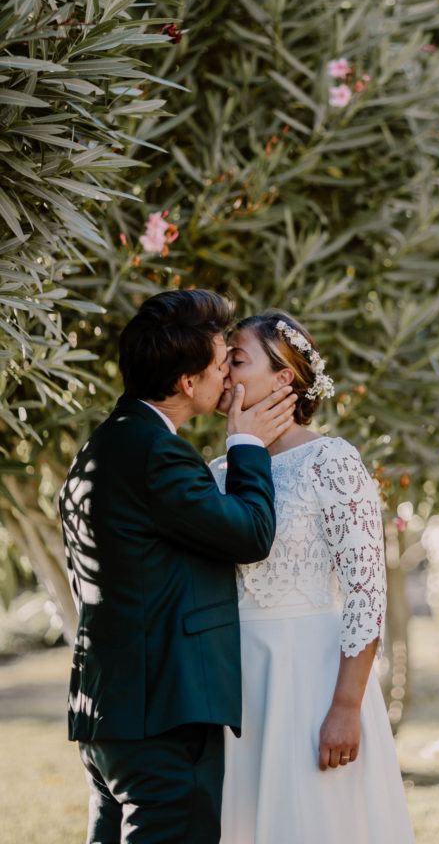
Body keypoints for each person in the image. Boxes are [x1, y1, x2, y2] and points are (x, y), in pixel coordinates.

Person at [58, 289, 296, 844]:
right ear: (189, 383)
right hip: (163, 716)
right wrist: (247, 447)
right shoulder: (156, 454)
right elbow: (250, 534)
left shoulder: (102, 445)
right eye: (220, 366)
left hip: (111, 712)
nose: (229, 380)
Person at [210, 309, 415, 844]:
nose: (223, 371)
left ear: (284, 378)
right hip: (238, 684)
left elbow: (367, 594)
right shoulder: (214, 473)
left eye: (236, 358)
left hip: (312, 679)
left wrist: (346, 707)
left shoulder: (332, 461)